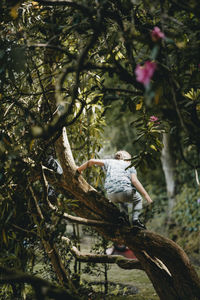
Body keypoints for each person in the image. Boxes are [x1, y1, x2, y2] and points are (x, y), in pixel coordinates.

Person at [77, 150, 153, 254]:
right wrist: (146, 195)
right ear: (126, 159)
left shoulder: (109, 162)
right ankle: (136, 220)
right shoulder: (129, 166)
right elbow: (135, 181)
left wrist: (79, 170)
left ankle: (123, 217)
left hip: (111, 195)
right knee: (138, 199)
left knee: (122, 202)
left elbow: (91, 161)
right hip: (125, 192)